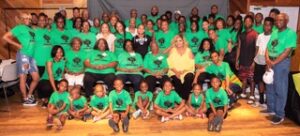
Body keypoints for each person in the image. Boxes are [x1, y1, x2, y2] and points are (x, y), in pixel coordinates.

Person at [264, 13, 297, 125]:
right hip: (271, 61)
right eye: (277, 20)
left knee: (280, 88)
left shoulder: (290, 34)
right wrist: (267, 59)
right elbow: (268, 48)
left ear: (286, 21)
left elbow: (287, 51)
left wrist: (274, 62)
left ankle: (279, 114)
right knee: (270, 86)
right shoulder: (274, 32)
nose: (278, 22)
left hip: (281, 63)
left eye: (281, 20)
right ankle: (271, 109)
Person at [2, 13, 40, 106]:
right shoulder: (19, 28)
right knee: (23, 77)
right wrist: (17, 45)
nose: (28, 20)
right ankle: (25, 98)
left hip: (31, 57)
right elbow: (5, 37)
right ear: (21, 19)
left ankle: (29, 95)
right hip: (23, 55)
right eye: (26, 18)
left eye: (29, 18)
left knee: (36, 78)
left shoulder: (31, 29)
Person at [235, 15, 258, 105]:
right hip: (243, 60)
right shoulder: (241, 34)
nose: (247, 23)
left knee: (251, 79)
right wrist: (237, 60)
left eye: (249, 21)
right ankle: (243, 93)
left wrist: (254, 61)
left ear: (252, 23)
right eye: (246, 21)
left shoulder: (256, 34)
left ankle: (252, 95)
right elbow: (239, 48)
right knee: (243, 78)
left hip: (251, 60)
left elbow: (257, 49)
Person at [165, 35, 195, 100]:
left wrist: (183, 71)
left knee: (189, 78)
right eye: (176, 41)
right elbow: (169, 63)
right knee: (177, 81)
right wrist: (176, 72)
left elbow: (191, 64)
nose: (178, 42)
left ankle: (183, 100)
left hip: (186, 71)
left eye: (180, 41)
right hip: (174, 71)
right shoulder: (172, 50)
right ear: (174, 43)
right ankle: (180, 101)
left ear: (183, 41)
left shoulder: (188, 50)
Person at [254, 17, 274, 107]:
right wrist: (254, 60)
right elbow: (257, 49)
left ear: (272, 26)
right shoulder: (260, 36)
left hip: (268, 61)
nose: (267, 27)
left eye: (269, 25)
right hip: (259, 60)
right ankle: (261, 98)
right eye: (265, 24)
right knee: (260, 80)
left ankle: (268, 99)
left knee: (268, 80)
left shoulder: (274, 36)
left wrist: (269, 62)